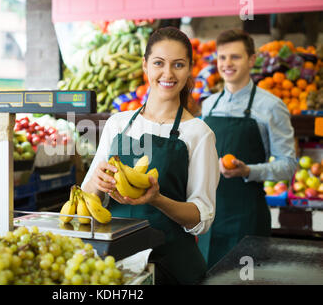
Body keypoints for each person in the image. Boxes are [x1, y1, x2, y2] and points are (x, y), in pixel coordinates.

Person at [81, 27, 220, 285]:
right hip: (116, 263)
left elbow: (202, 217)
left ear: (190, 69)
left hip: (172, 265)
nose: (168, 74)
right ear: (145, 65)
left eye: (178, 65)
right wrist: (97, 183)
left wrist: (157, 199)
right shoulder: (118, 123)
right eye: (159, 63)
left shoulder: (199, 133)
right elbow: (89, 197)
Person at [199, 29, 297, 269]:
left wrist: (248, 171)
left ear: (252, 60)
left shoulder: (272, 106)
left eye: (235, 57)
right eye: (222, 58)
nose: (227, 64)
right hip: (207, 218)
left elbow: (288, 166)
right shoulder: (209, 105)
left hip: (246, 218)